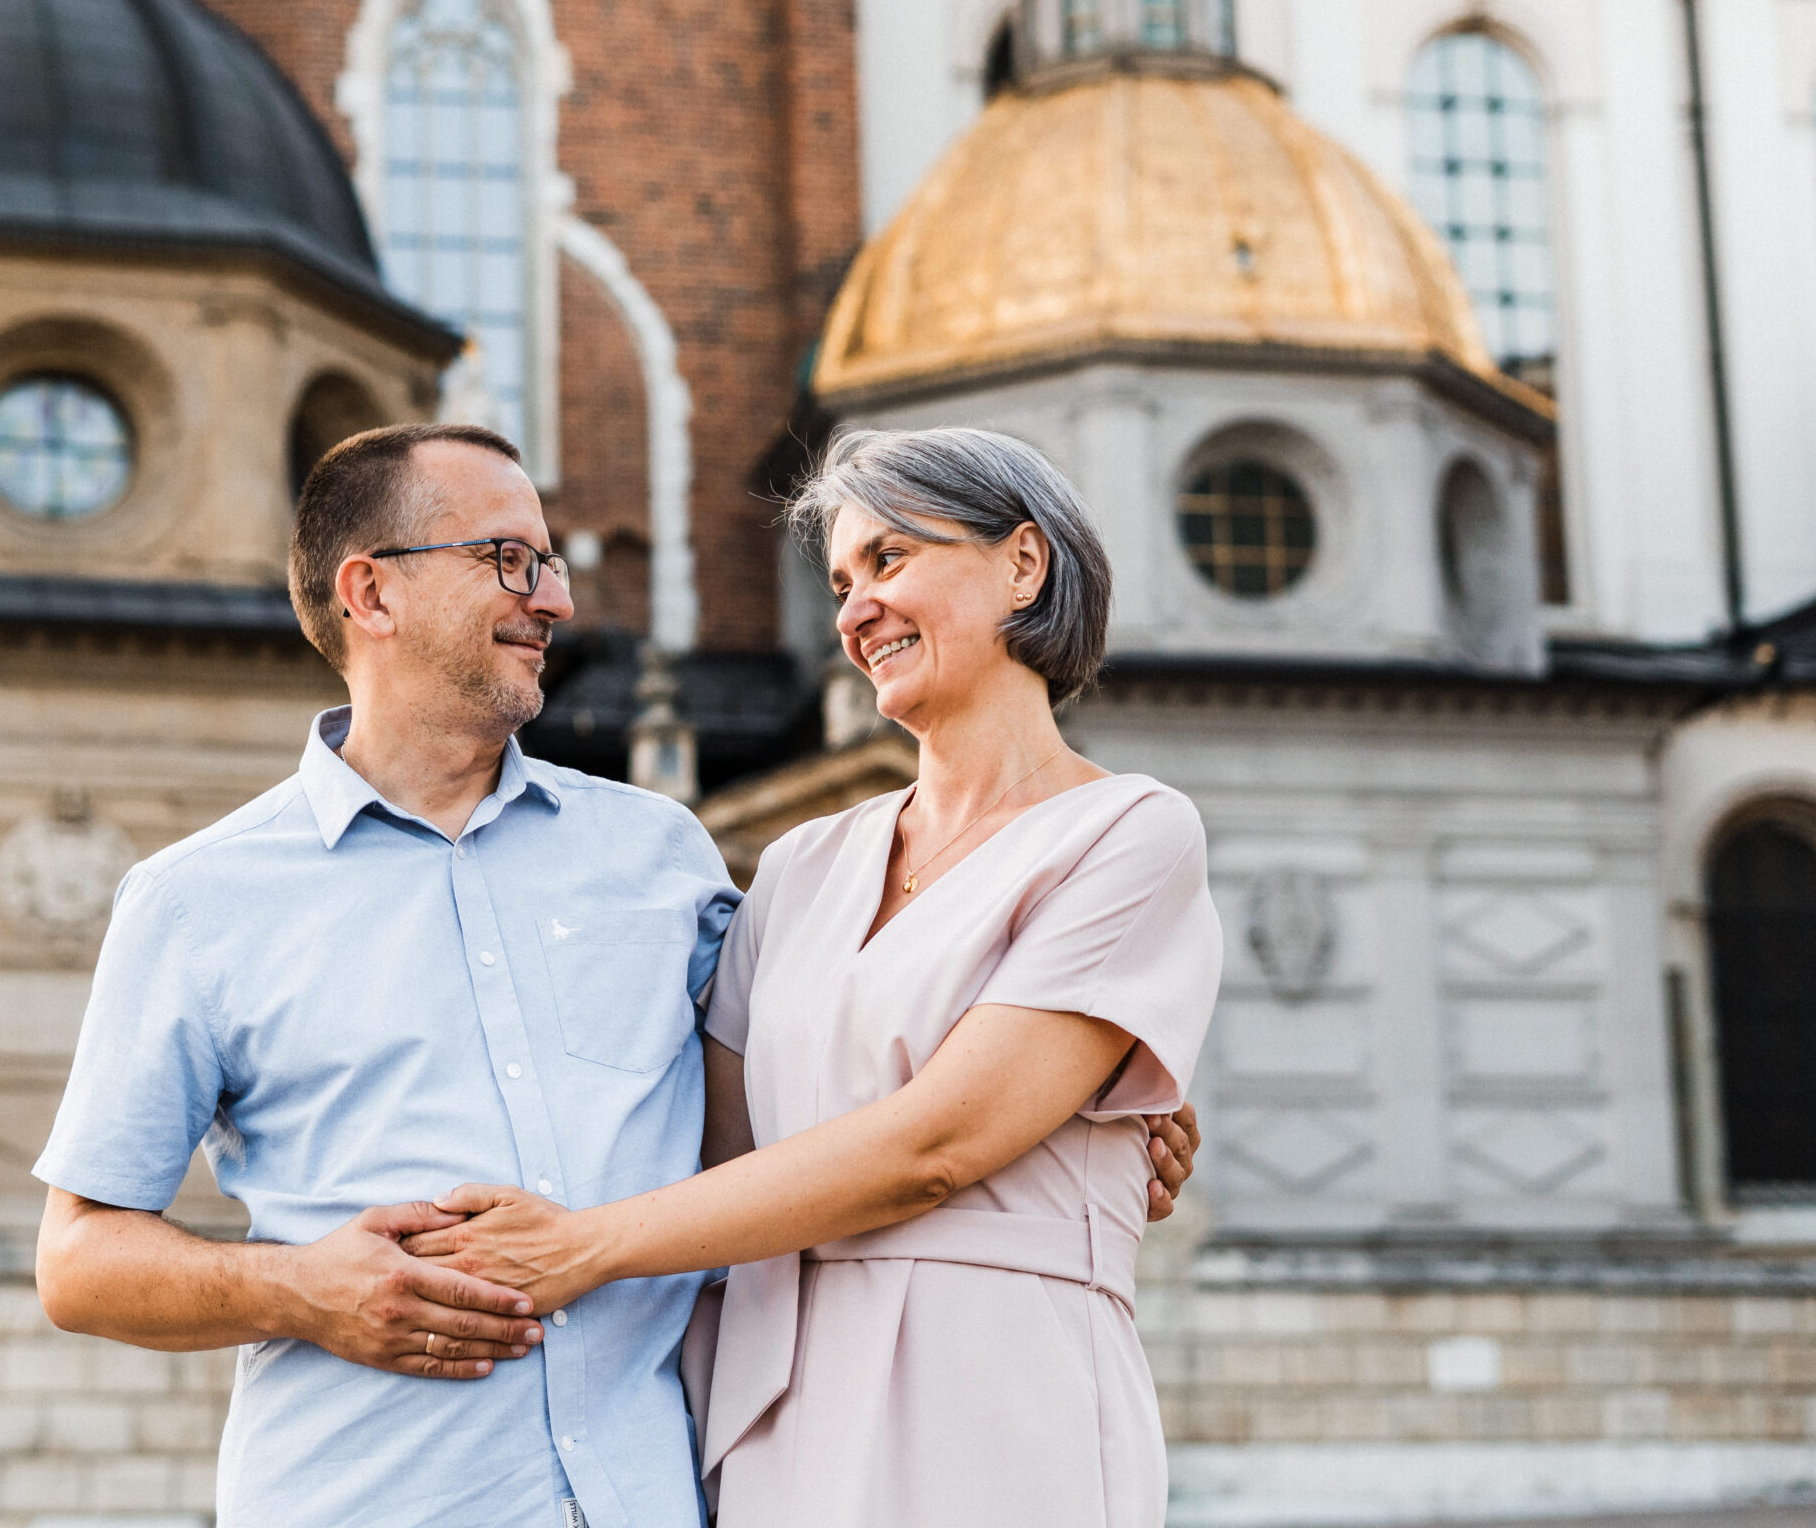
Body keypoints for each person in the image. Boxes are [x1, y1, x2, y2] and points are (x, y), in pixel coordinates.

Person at [32, 422, 1201, 1528]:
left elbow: (826, 1108)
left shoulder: (658, 855)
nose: (555, 597)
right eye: (506, 559)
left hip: (672, 1486)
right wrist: (299, 1289)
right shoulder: (195, 901)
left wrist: (1087, 1113)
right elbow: (78, 1261)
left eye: (547, 560)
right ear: (369, 591)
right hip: (374, 1494)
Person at [406, 426, 1223, 1528]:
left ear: (1023, 566)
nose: (852, 612)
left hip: (997, 1391)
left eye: (889, 561)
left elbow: (935, 1148)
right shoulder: (796, 869)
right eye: (841, 582)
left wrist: (580, 1248)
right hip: (775, 1386)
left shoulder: (1128, 833)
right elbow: (707, 1142)